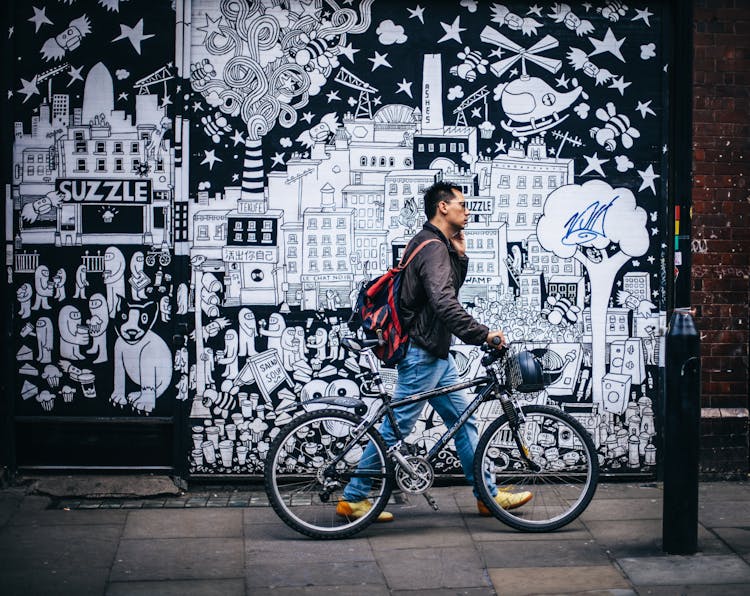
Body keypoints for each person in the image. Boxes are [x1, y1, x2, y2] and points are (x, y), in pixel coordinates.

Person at [337, 182, 532, 522]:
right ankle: (353, 497)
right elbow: (445, 302)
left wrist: (460, 253)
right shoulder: (431, 247)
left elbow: (445, 291)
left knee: (463, 419)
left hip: (434, 353)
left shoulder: (433, 244)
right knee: (396, 429)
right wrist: (484, 335)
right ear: (443, 207)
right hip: (423, 352)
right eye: (461, 203)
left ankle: (487, 495)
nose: (467, 210)